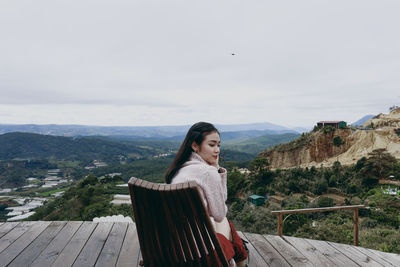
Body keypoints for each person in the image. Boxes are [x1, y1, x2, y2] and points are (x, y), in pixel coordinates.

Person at [165, 122, 248, 267]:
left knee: (223, 225)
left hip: (176, 248)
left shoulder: (178, 170)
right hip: (200, 253)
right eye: (212, 145)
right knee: (225, 222)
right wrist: (217, 172)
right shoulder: (207, 172)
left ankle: (240, 258)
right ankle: (241, 261)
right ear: (195, 145)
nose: (217, 150)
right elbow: (220, 213)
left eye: (218, 145)